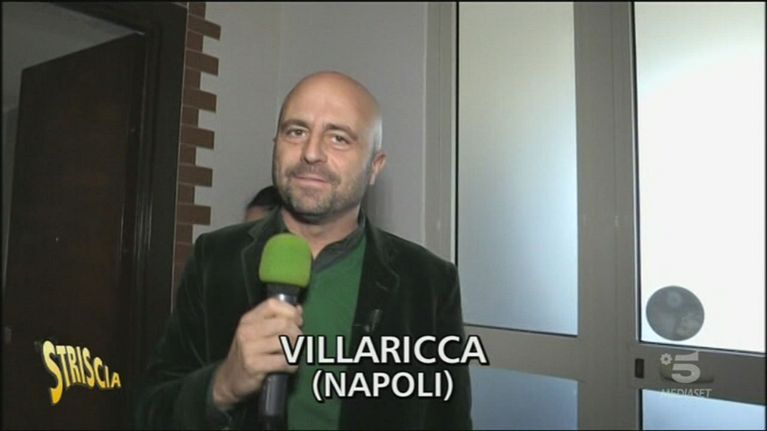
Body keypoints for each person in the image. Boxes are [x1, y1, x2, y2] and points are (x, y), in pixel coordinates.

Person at [134, 71, 472, 430]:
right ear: (276, 144)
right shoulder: (214, 258)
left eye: (338, 138)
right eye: (296, 132)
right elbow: (151, 412)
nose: (311, 153)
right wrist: (223, 386)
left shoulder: (430, 282)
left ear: (374, 166)